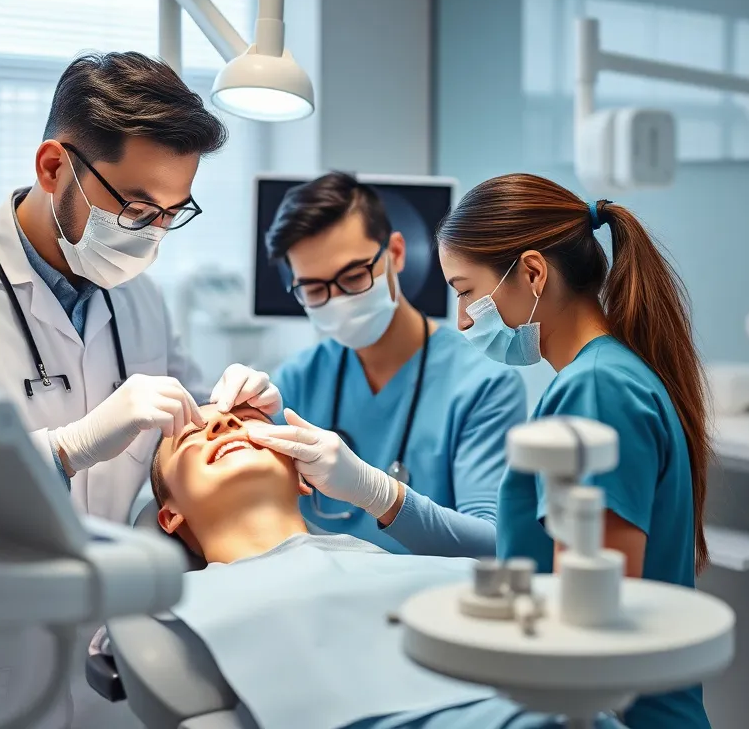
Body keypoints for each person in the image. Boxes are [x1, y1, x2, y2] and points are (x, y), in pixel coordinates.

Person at [0, 52, 282, 729]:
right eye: (136, 207)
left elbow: (190, 426)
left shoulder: (138, 301)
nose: (153, 234)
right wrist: (64, 450)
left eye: (174, 211)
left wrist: (243, 407)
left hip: (97, 673)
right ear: (54, 167)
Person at [114, 402, 625, 729]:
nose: (223, 422)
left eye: (248, 423)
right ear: (170, 516)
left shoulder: (395, 564)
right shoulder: (180, 605)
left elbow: (518, 569)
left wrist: (377, 490)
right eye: (192, 436)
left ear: (302, 477)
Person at [435, 173, 711, 729]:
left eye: (466, 291)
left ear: (534, 273)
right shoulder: (599, 377)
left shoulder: (597, 391)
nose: (463, 318)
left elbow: (593, 626)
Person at [260, 172, 527, 557]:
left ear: (396, 253)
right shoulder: (296, 380)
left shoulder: (483, 385)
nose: (338, 301)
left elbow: (493, 542)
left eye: (353, 276)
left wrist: (379, 494)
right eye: (315, 289)